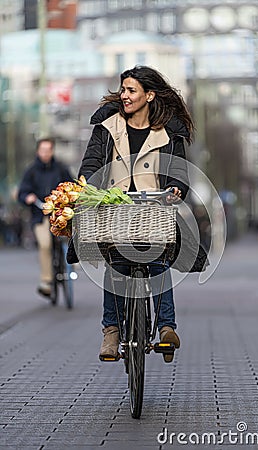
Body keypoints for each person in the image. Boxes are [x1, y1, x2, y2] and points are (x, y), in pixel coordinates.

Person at [77, 65, 206, 362]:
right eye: (123, 90)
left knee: (158, 262)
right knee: (115, 267)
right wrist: (88, 184)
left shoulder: (168, 132)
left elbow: (178, 170)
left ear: (149, 95)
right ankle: (111, 332)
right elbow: (92, 162)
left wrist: (175, 189)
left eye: (131, 90)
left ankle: (166, 328)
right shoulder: (107, 127)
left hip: (154, 209)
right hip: (115, 209)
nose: (124, 95)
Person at [18, 138, 73, 296]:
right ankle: (46, 281)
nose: (46, 153)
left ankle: (71, 261)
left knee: (71, 232)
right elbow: (22, 192)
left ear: (52, 151)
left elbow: (72, 185)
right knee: (44, 244)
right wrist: (27, 197)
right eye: (43, 150)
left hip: (60, 213)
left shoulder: (61, 169)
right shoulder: (31, 171)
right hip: (40, 214)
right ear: (38, 151)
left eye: (48, 150)